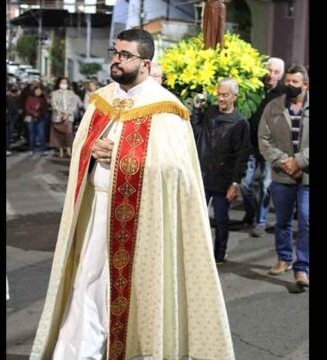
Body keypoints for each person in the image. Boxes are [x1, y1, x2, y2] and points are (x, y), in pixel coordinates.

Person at [30, 29, 235, 360]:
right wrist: (90, 147)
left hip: (141, 223)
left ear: (145, 63)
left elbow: (174, 172)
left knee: (122, 290)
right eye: (115, 52)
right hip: (95, 211)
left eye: (125, 55)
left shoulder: (167, 110)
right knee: (86, 281)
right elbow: (83, 144)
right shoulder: (103, 100)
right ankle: (77, 351)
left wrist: (124, 155)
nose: (116, 59)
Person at [258, 64, 309, 287]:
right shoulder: (273, 107)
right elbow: (263, 140)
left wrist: (299, 160)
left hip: (307, 174)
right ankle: (284, 258)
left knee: (306, 220)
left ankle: (302, 267)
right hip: (282, 174)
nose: (289, 86)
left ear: (305, 85)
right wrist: (283, 161)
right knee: (283, 220)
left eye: (294, 82)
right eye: (287, 81)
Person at [191, 78, 251, 264]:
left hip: (223, 180)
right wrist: (197, 110)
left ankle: (219, 254)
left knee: (221, 220)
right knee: (197, 218)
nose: (221, 98)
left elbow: (242, 156)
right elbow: (196, 131)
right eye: (219, 94)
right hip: (203, 176)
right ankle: (197, 251)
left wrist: (235, 183)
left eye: (225, 95)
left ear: (235, 96)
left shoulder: (240, 123)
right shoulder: (210, 113)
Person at [240, 57, 285, 237]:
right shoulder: (254, 88)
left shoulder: (283, 95)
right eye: (269, 71)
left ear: (281, 75)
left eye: (276, 72)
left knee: (266, 186)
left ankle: (261, 221)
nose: (271, 75)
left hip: (270, 148)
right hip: (251, 145)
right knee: (244, 184)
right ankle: (251, 213)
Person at [49, 77, 77, 158]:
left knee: (68, 134)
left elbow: (73, 104)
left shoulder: (71, 93)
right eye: (62, 83)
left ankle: (69, 150)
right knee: (58, 135)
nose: (63, 84)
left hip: (69, 117)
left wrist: (67, 113)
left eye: (65, 83)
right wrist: (61, 112)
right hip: (58, 117)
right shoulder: (54, 93)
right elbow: (54, 104)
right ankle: (61, 150)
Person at [25, 84, 49, 156]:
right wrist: (33, 113)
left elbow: (45, 108)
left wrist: (40, 113)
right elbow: (27, 108)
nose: (38, 91)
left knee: (41, 134)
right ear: (34, 91)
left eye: (40, 90)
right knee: (32, 135)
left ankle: (43, 150)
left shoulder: (43, 99)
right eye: (37, 90)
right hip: (31, 118)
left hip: (41, 119)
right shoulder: (29, 98)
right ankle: (31, 149)